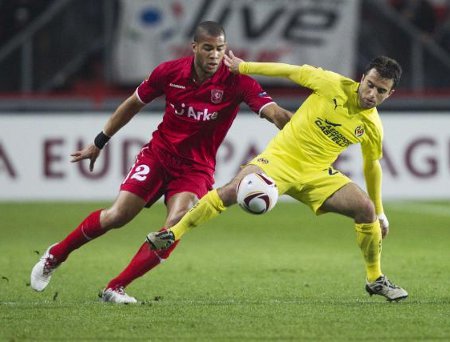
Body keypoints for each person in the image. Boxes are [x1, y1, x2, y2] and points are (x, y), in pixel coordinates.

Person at [30, 21, 293, 303]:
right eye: (208, 48)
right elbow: (132, 104)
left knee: (176, 224)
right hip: (159, 156)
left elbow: (274, 112)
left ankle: (115, 287)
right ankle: (55, 255)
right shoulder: (170, 72)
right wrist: (99, 141)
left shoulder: (238, 81)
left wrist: (298, 128)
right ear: (195, 48)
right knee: (117, 216)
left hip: (196, 168)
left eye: (220, 48)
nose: (215, 55)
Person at [147, 52, 409, 302]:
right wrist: (244, 67)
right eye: (370, 85)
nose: (372, 94)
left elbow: (372, 165)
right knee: (232, 190)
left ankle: (375, 278)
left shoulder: (373, 126)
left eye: (381, 91)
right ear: (362, 78)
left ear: (390, 93)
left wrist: (380, 212)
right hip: (280, 160)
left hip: (317, 174)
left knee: (366, 209)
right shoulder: (331, 84)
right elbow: (289, 71)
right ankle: (173, 233)